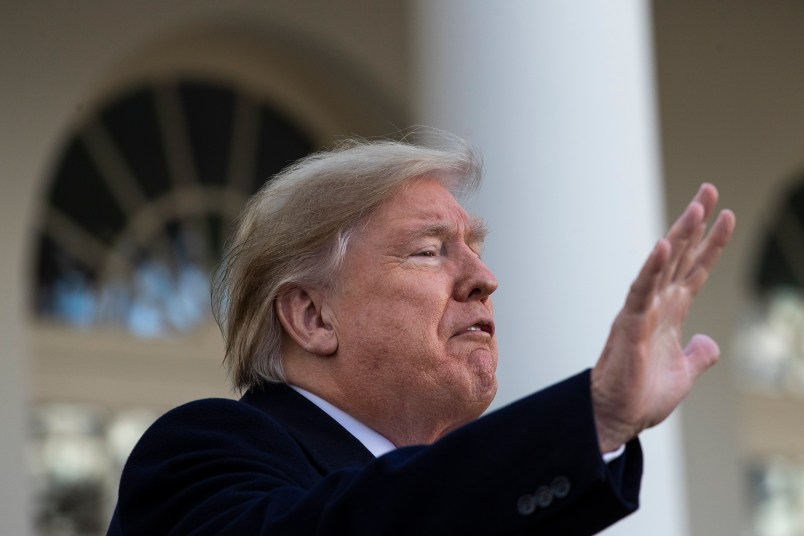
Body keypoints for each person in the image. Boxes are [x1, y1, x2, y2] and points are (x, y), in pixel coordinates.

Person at [107, 134, 735, 535]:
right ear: (312, 317)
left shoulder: (477, 498)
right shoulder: (201, 453)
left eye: (475, 249)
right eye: (430, 252)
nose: (483, 279)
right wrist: (590, 417)